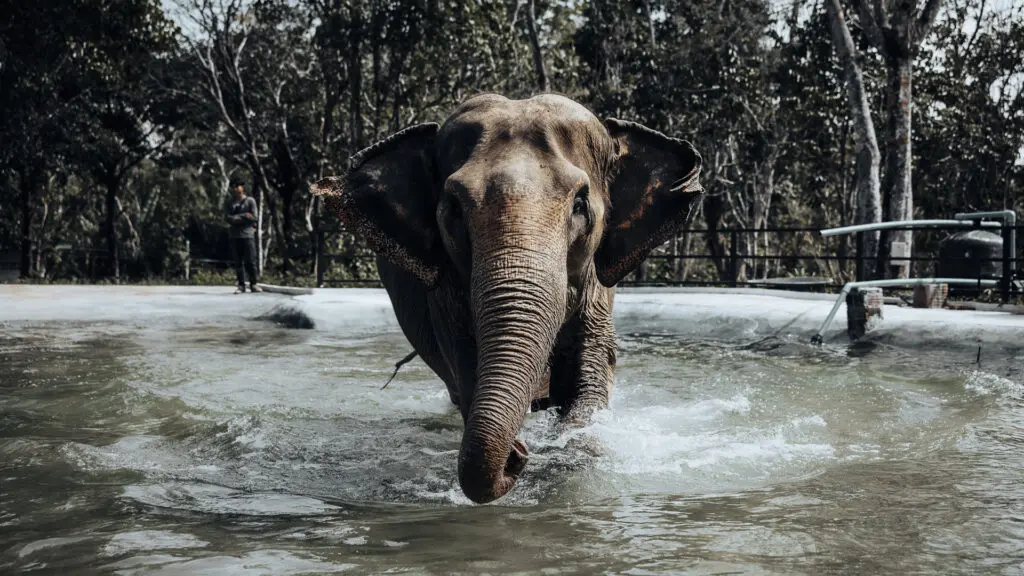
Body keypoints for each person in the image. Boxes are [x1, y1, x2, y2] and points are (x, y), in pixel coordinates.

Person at [224, 177, 262, 293]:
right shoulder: (229, 202)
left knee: (250, 261)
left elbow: (254, 217)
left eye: (238, 186)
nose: (236, 188)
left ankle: (253, 284)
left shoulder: (250, 201)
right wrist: (245, 216)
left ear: (242, 187)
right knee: (238, 262)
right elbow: (228, 218)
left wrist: (239, 218)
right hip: (234, 235)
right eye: (234, 186)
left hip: (248, 235)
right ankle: (241, 285)